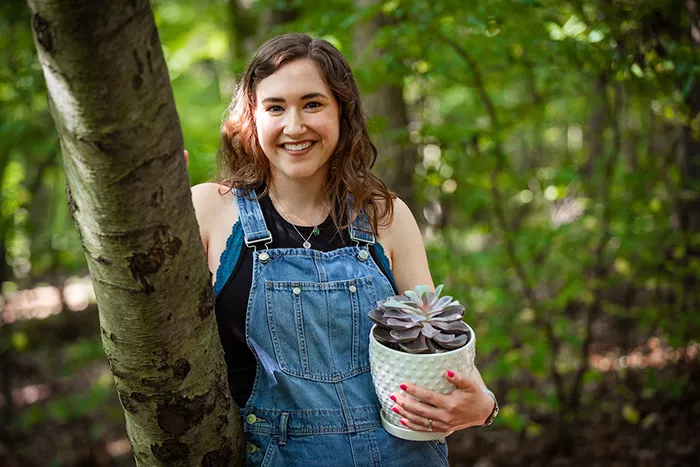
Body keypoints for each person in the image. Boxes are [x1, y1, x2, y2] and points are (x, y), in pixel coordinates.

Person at [190, 33, 498, 467]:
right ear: (252, 118)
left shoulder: (385, 216)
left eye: (313, 104)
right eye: (276, 107)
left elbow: (439, 342)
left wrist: (483, 406)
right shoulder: (210, 209)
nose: (294, 126)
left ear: (342, 113)